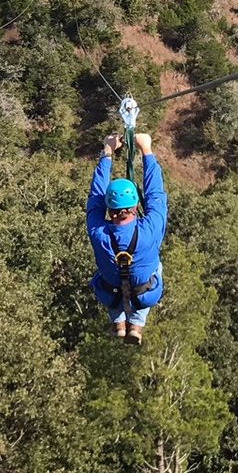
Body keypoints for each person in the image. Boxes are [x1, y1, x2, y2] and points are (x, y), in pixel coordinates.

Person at [86, 131, 168, 345]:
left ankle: (119, 324)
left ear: (110, 209)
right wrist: (146, 150)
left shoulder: (98, 232)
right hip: (145, 294)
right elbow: (155, 196)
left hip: (110, 293)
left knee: (108, 274)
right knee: (154, 266)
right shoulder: (150, 228)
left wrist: (107, 152)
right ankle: (136, 326)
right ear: (134, 206)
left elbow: (95, 200)